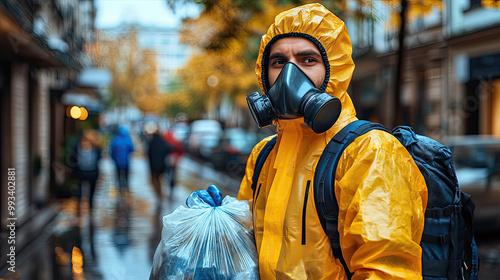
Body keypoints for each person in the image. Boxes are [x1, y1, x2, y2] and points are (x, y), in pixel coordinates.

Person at [193, 3, 428, 279]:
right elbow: (245, 251)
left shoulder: (369, 152)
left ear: (333, 72)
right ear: (264, 75)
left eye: (308, 60)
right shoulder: (263, 154)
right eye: (279, 62)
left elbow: (387, 271)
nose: (290, 76)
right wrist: (217, 223)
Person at [68, 129, 103, 213]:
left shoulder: (78, 145)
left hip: (81, 172)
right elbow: (99, 157)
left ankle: (80, 207)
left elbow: (71, 158)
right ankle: (90, 206)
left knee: (81, 189)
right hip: (92, 172)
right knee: (90, 191)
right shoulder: (95, 146)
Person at [147, 124, 173, 200]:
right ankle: (160, 193)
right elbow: (168, 149)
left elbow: (148, 154)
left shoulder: (151, 143)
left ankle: (158, 193)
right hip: (162, 165)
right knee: (161, 179)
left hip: (153, 166)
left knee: (155, 180)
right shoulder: (162, 142)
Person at [109, 126, 135, 192]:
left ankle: (120, 187)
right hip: (126, 161)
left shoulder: (115, 139)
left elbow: (111, 150)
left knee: (118, 174)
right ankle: (126, 186)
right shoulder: (127, 139)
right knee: (126, 174)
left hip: (117, 161)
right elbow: (131, 148)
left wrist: (113, 158)